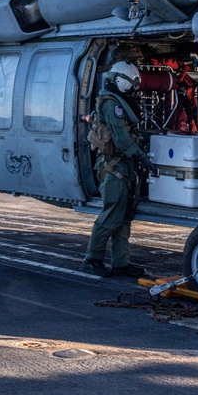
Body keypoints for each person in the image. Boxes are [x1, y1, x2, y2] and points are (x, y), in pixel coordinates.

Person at [81, 61, 155, 278]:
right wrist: (141, 156)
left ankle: (121, 262)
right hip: (114, 167)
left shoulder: (115, 102)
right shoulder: (111, 104)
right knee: (112, 214)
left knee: (123, 217)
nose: (134, 89)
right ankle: (92, 258)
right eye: (133, 84)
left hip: (123, 165)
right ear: (124, 81)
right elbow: (121, 138)